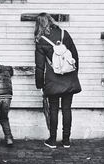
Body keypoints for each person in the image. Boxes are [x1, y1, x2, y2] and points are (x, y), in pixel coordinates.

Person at [34, 13, 81, 149]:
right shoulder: (64, 34)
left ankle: (52, 140)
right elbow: (75, 56)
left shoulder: (40, 40)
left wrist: (40, 84)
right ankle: (66, 140)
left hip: (52, 80)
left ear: (39, 25)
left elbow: (40, 66)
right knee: (67, 109)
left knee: (53, 109)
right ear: (51, 21)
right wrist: (73, 74)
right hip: (69, 78)